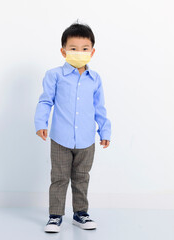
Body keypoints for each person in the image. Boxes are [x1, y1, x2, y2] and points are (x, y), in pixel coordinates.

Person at [34, 21, 111, 233]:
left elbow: (99, 107)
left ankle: (80, 214)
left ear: (92, 51)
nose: (79, 52)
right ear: (63, 51)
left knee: (81, 177)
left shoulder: (95, 79)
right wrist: (41, 123)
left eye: (84, 49)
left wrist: (105, 131)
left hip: (86, 140)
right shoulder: (54, 75)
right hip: (61, 138)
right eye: (73, 48)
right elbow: (45, 101)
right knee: (59, 178)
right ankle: (55, 216)